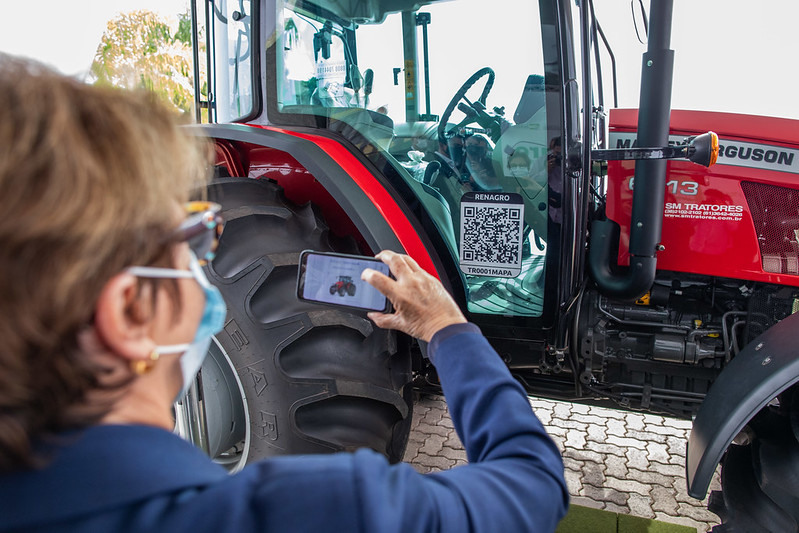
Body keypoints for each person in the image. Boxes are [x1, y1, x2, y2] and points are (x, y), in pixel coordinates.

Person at [0, 56, 568, 533]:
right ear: (129, 312)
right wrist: (448, 329)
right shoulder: (317, 512)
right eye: (199, 236)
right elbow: (533, 482)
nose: (210, 261)